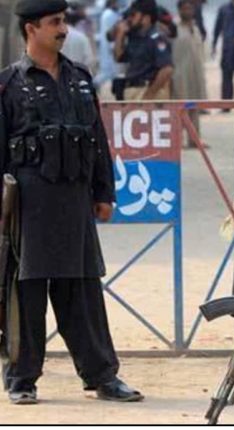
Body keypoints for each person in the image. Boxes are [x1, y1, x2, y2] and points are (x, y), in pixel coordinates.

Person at [0, 0, 144, 405]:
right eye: (55, 22)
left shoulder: (79, 79)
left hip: (74, 204)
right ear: (31, 29)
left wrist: (104, 192)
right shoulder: (9, 85)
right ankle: (21, 378)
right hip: (28, 209)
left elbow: (97, 141)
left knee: (83, 295)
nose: (63, 29)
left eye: (63, 21)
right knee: (25, 295)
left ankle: (102, 376)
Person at [113, 0, 174, 100]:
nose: (129, 19)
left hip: (148, 90)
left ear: (146, 18)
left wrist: (149, 95)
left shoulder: (156, 38)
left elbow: (167, 69)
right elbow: (118, 57)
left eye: (133, 15)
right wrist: (120, 35)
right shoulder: (135, 38)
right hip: (133, 89)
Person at [172, 0, 208, 147]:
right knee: (180, 108)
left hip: (195, 74)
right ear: (179, 10)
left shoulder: (195, 28)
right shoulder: (174, 28)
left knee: (195, 105)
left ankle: (194, 139)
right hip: (180, 74)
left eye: (190, 9)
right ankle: (177, 141)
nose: (188, 11)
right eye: (185, 9)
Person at [94, 0, 123, 92]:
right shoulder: (109, 15)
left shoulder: (110, 14)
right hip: (110, 49)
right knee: (108, 73)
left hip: (108, 49)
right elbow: (112, 34)